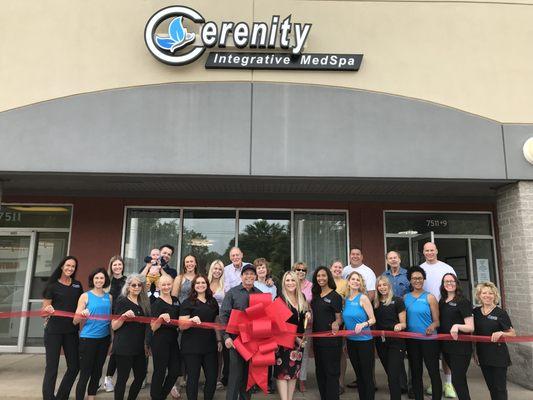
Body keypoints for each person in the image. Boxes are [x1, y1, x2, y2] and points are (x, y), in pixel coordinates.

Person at [42, 256, 84, 400]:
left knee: (74, 367)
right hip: (53, 331)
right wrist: (47, 310)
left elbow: (81, 307)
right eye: (68, 265)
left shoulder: (77, 285)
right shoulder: (52, 286)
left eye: (73, 266)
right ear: (62, 266)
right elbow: (43, 312)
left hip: (71, 331)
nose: (70, 268)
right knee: (52, 367)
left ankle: (61, 396)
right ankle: (48, 397)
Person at [420, 242, 457, 398]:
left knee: (447, 350)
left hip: (446, 311)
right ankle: (434, 382)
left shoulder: (446, 268)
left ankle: (448, 383)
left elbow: (455, 287)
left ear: (437, 250)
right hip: (428, 314)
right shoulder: (421, 268)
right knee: (431, 352)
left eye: (432, 250)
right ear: (423, 252)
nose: (429, 253)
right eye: (426, 250)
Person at [220, 263, 262, 400]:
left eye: (252, 274)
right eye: (246, 274)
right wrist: (226, 337)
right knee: (235, 375)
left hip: (253, 341)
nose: (249, 276)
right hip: (235, 341)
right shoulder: (232, 293)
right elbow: (224, 316)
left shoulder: (260, 294)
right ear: (241, 276)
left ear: (255, 276)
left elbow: (264, 318)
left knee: (247, 375)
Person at [180, 274, 222, 400]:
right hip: (191, 346)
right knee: (193, 378)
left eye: (203, 283)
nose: (200, 285)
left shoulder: (212, 301)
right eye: (197, 283)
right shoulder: (187, 302)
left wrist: (219, 339)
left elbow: (216, 322)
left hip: (209, 345)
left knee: (212, 377)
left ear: (207, 285)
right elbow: (181, 326)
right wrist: (191, 320)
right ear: (193, 286)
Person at [73, 267, 112, 400]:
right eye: (96, 278)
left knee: (97, 371)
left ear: (105, 280)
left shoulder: (109, 297)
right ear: (92, 280)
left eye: (101, 278)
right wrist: (82, 315)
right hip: (88, 339)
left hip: (104, 339)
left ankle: (91, 397)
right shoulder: (85, 296)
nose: (99, 280)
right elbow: (75, 320)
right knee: (85, 372)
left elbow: (110, 319)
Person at [473, 282, 516, 400]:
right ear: (479, 295)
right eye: (484, 293)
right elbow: (474, 334)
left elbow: (513, 334)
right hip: (483, 355)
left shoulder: (500, 313)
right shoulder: (476, 312)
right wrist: (475, 352)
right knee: (491, 387)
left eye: (490, 293)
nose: (487, 295)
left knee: (500, 388)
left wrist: (502, 333)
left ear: (495, 295)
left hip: (498, 355)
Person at [404, 266, 441, 400]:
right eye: (414, 278)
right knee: (415, 372)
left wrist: (432, 326)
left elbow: (437, 321)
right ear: (410, 280)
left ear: (424, 279)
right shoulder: (405, 298)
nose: (417, 280)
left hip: (429, 340)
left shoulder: (430, 297)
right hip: (412, 341)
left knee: (433, 372)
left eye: (420, 278)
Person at [111, 274, 150, 400]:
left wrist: (146, 344)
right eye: (133, 285)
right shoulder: (122, 301)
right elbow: (114, 326)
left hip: (138, 347)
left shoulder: (143, 302)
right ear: (128, 287)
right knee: (123, 378)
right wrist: (123, 317)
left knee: (141, 375)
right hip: (124, 346)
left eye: (139, 285)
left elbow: (146, 325)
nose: (137, 287)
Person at [274, 271, 309, 400]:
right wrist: (296, 338)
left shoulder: (302, 297)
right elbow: (279, 325)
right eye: (287, 280)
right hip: (284, 342)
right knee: (283, 373)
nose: (290, 283)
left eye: (292, 280)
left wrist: (307, 315)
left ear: (297, 282)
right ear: (284, 283)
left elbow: (303, 318)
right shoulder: (280, 299)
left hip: (299, 342)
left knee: (294, 373)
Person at [438, 273, 474, 400]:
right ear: (443, 285)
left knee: (458, 381)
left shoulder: (463, 301)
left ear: (456, 283)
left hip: (461, 348)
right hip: (447, 347)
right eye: (446, 281)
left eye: (452, 281)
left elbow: (470, 327)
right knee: (457, 381)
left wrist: (457, 326)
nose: (449, 284)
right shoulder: (442, 301)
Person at [311, 266, 343, 400]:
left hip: (331, 341)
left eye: (323, 275)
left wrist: (336, 323)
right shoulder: (316, 296)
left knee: (332, 373)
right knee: (320, 372)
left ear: (328, 277)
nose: (321, 278)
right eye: (318, 276)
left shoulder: (335, 296)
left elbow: (339, 318)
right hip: (317, 341)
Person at [343, 271, 376, 400]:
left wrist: (363, 324)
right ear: (349, 281)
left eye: (358, 280)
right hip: (351, 341)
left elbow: (373, 319)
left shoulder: (363, 298)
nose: (355, 281)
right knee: (358, 374)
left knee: (366, 375)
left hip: (365, 341)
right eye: (353, 279)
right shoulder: (346, 299)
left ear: (361, 283)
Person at [373, 275, 407, 400]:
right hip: (381, 342)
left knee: (393, 374)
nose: (382, 287)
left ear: (389, 286)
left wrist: (400, 325)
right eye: (379, 285)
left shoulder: (398, 301)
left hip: (396, 342)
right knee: (390, 373)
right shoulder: (375, 303)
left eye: (384, 285)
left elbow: (404, 323)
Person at [150, 274, 181, 400]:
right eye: (163, 284)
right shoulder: (156, 303)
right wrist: (161, 318)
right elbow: (153, 327)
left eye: (169, 284)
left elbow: (180, 319)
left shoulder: (176, 300)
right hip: (160, 340)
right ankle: (155, 397)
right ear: (158, 286)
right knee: (160, 371)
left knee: (175, 370)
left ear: (172, 284)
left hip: (173, 339)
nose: (166, 286)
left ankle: (161, 396)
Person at [103, 255, 127, 392]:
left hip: (122, 317)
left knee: (116, 347)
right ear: (111, 266)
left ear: (123, 266)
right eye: (114, 265)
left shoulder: (127, 280)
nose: (117, 267)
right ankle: (105, 378)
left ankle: (108, 377)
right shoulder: (107, 281)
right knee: (110, 347)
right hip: (108, 317)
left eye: (119, 264)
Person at [292, 262, 312, 393]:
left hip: (306, 325)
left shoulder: (311, 286)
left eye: (303, 270)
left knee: (304, 353)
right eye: (298, 269)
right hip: (292, 325)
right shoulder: (290, 283)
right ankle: (292, 377)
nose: (300, 271)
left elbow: (313, 303)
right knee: (291, 352)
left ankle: (302, 379)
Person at [208, 259, 227, 389]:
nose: (217, 271)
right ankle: (208, 377)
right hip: (205, 319)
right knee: (207, 348)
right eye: (215, 268)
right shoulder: (205, 282)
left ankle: (218, 378)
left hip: (219, 321)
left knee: (219, 350)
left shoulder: (225, 286)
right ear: (211, 269)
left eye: (220, 269)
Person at [330, 259, 348, 394]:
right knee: (329, 353)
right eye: (335, 267)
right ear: (330, 268)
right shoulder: (326, 282)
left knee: (341, 352)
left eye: (340, 267)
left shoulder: (346, 283)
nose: (337, 269)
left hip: (341, 322)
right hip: (326, 322)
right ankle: (330, 381)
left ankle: (340, 382)